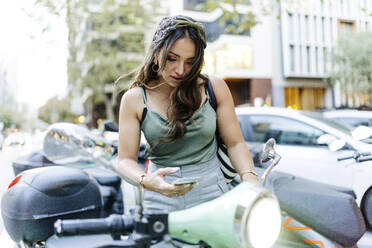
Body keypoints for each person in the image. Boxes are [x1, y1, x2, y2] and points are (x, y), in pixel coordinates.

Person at [117, 15, 258, 213]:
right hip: (160, 196)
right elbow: (125, 160)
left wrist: (249, 178)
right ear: (156, 54)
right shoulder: (134, 99)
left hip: (213, 190)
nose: (181, 70)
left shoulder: (214, 87)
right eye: (172, 58)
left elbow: (236, 143)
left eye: (190, 62)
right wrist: (145, 180)